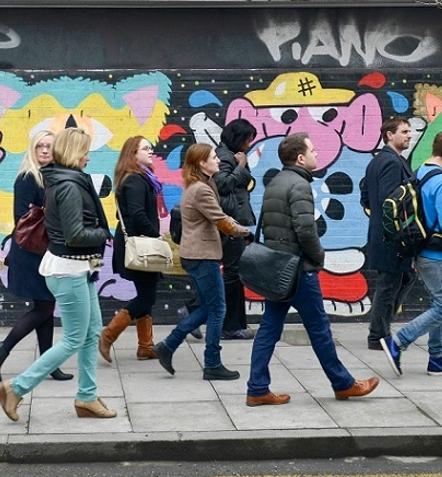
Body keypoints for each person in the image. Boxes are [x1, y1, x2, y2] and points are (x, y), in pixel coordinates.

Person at [246, 133, 379, 406]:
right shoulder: (299, 186)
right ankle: (343, 384)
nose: (317, 155)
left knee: (269, 328)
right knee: (319, 327)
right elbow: (306, 230)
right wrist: (318, 259)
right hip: (298, 270)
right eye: (313, 150)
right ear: (300, 158)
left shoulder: (275, 183)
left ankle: (257, 388)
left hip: (277, 269)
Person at [0, 127, 115, 421]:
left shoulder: (65, 179)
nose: (88, 157)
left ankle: (87, 397)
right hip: (69, 268)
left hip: (77, 266)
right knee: (74, 338)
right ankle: (16, 387)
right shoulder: (70, 185)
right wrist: (104, 233)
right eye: (86, 151)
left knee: (90, 333)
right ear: (75, 153)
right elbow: (74, 234)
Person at [151, 144, 250, 379]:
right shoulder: (201, 190)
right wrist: (245, 232)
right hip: (202, 255)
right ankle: (212, 364)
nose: (218, 160)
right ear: (202, 164)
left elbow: (220, 216)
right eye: (213, 157)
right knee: (218, 309)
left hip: (198, 254)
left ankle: (168, 346)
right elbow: (221, 220)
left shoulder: (203, 185)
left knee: (208, 307)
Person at [0, 131, 72, 382]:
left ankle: (47, 363)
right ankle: (2, 348)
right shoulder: (27, 178)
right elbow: (21, 219)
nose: (44, 151)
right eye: (40, 147)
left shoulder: (53, 177)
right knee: (44, 306)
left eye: (49, 147)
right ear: (32, 150)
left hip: (45, 249)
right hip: (30, 251)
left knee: (45, 306)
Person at [381, 130, 442, 377]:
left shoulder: (421, 172)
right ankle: (398, 342)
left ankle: (438, 359)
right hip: (437, 255)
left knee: (439, 302)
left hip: (421, 251)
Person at [99, 136, 164, 363]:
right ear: (133, 154)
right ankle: (108, 335)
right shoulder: (135, 180)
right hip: (140, 244)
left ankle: (145, 346)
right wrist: (157, 235)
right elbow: (136, 215)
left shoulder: (139, 178)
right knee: (147, 296)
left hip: (138, 243)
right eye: (145, 148)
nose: (150, 151)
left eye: (149, 147)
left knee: (145, 294)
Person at [361, 118, 416, 351]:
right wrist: (399, 232)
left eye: (409, 132)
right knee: (389, 283)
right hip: (392, 236)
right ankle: (378, 335)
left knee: (400, 278)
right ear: (389, 135)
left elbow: (365, 198)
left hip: (382, 233)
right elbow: (390, 201)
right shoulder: (392, 162)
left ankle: (380, 328)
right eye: (404, 132)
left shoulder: (378, 161)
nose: (409, 136)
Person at [214, 119, 258, 340]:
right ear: (236, 137)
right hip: (229, 223)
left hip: (235, 222)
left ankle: (236, 323)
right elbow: (222, 185)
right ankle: (228, 325)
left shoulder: (231, 155)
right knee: (232, 273)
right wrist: (240, 166)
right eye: (248, 139)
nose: (250, 144)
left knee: (235, 273)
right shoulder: (224, 156)